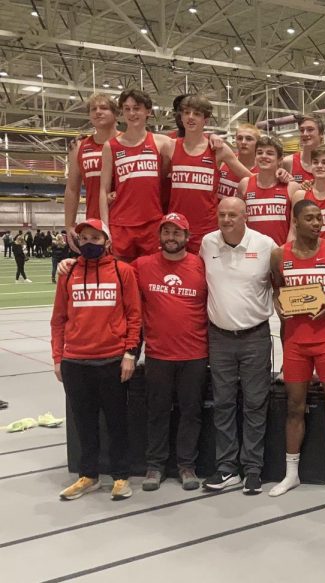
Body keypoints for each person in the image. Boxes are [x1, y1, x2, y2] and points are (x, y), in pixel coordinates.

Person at [267, 199, 325, 501]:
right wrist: (278, 306)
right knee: (294, 407)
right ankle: (291, 473)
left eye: (319, 218)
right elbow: (277, 290)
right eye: (310, 218)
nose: (317, 223)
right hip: (295, 343)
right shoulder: (278, 255)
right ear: (295, 222)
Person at [51, 219, 141, 501]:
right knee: (84, 423)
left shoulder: (122, 271)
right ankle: (88, 475)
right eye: (84, 238)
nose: (89, 243)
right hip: (75, 362)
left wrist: (130, 353)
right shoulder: (67, 273)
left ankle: (121, 476)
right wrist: (58, 357)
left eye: (95, 238)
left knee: (117, 423)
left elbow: (134, 316)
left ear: (107, 241)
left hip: (112, 361)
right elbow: (58, 319)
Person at [200, 197, 278, 495]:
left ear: (246, 216)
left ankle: (253, 469)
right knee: (223, 404)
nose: (227, 219)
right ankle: (226, 469)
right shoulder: (208, 243)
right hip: (219, 337)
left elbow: (280, 284)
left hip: (255, 337)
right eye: (222, 214)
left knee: (255, 403)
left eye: (233, 214)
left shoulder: (265, 245)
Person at [133, 213, 209, 491]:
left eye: (177, 233)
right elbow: (112, 273)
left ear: (188, 238)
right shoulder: (142, 265)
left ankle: (186, 466)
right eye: (166, 232)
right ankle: (155, 466)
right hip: (158, 354)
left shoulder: (201, 266)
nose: (171, 238)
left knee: (191, 412)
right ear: (159, 236)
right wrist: (70, 263)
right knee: (157, 412)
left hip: (195, 354)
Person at [167, 94, 253, 253]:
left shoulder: (218, 149)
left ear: (205, 120)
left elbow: (250, 179)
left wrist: (281, 177)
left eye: (197, 114)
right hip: (177, 227)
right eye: (186, 113)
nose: (191, 117)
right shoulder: (169, 146)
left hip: (207, 230)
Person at [98, 89, 170, 261]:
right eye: (127, 108)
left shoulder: (162, 142)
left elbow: (191, 148)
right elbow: (103, 190)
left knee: (150, 280)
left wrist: (212, 138)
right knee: (121, 279)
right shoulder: (111, 146)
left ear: (148, 111)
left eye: (136, 108)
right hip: (120, 225)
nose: (131, 113)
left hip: (152, 223)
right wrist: (105, 227)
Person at [64, 94, 119, 249]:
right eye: (93, 109)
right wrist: (69, 226)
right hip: (95, 225)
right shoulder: (79, 147)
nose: (98, 112)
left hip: (126, 222)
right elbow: (72, 189)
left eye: (104, 108)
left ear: (116, 113)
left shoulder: (127, 142)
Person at [237, 136, 302, 247]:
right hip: (251, 252)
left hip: (280, 251)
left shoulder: (292, 187)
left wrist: (285, 252)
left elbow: (294, 228)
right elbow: (239, 222)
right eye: (260, 152)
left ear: (280, 160)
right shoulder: (244, 184)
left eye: (270, 153)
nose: (264, 156)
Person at [282, 114, 325, 187]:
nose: (305, 134)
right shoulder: (288, 162)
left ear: (322, 133)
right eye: (302, 130)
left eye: (310, 129)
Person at [218, 123, 260, 199]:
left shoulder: (263, 170)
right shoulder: (223, 160)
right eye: (240, 138)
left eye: (249, 139)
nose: (243, 142)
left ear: (258, 143)